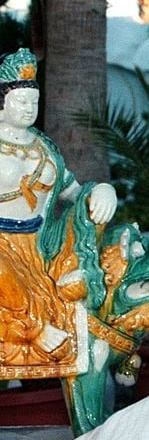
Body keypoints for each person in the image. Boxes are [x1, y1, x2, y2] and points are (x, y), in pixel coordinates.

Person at [0, 47, 117, 367]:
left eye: (33, 101)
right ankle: (35, 330)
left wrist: (102, 191)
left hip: (41, 244)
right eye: (21, 101)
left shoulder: (44, 147)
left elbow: (73, 191)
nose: (29, 109)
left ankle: (111, 344)